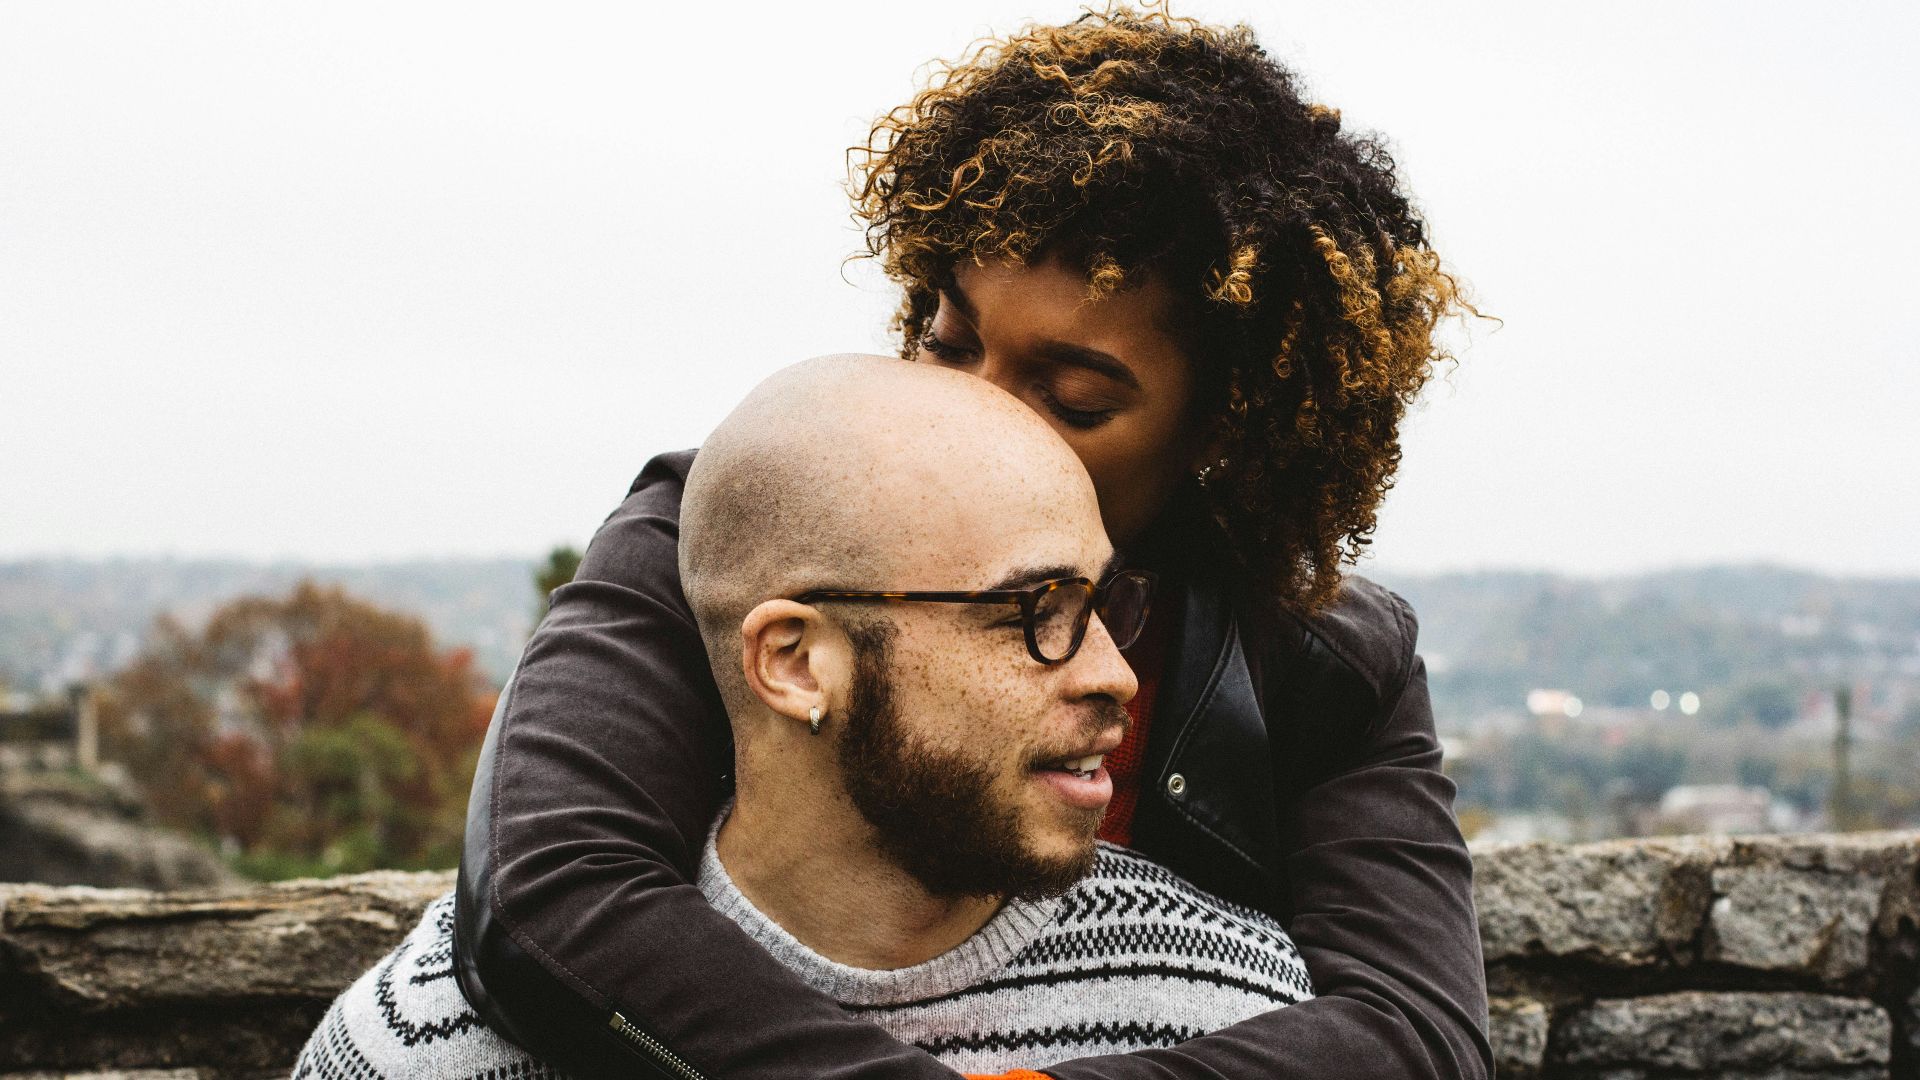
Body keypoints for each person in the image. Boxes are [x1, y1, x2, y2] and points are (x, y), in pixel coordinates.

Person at [455, 8, 1490, 1080]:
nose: (977, 409)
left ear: (1221, 431)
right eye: (949, 344)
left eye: (1072, 396)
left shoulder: (1327, 662)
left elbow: (1415, 1035)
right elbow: (546, 902)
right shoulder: (729, 532)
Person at [295, 357, 1316, 1080]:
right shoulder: (429, 1045)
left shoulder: (1225, 1005)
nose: (1114, 674)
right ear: (793, 662)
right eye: (1034, 611)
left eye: (1105, 603)